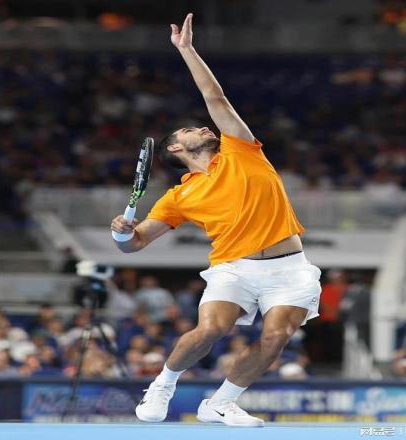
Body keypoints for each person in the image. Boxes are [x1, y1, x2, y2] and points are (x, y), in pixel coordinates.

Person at [110, 13, 321, 427]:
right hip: (234, 268)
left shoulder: (241, 150)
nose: (202, 127)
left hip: (290, 267)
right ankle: (162, 386)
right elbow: (135, 243)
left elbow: (216, 98)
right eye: (189, 130)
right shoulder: (179, 197)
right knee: (211, 329)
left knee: (276, 337)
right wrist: (120, 234)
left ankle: (221, 403)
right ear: (176, 149)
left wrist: (187, 50)